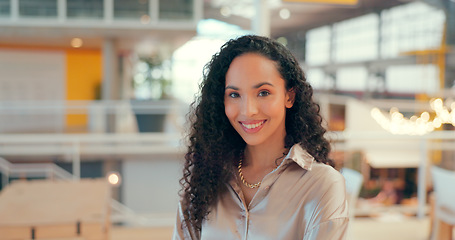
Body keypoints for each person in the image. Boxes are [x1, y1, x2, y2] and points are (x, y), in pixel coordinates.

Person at [173, 35, 349, 240]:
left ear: (289, 96)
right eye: (234, 94)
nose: (248, 111)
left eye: (263, 93)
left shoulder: (322, 185)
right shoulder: (204, 181)